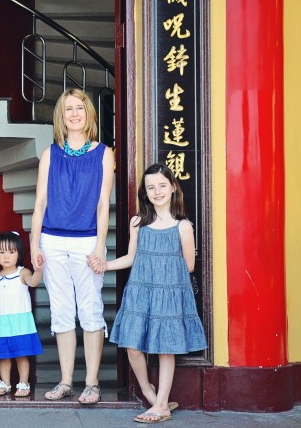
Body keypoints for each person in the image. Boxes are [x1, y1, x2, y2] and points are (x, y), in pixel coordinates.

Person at [29, 88, 115, 404]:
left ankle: (92, 383)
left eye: (80, 108)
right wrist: (34, 243)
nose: (75, 114)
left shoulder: (104, 153)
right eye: (69, 109)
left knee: (90, 309)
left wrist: (100, 245)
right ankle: (66, 381)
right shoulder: (50, 154)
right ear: (61, 117)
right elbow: (40, 202)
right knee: (62, 310)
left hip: (87, 240)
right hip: (52, 240)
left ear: (89, 113)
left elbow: (103, 203)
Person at [107, 163, 207, 424]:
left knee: (165, 348)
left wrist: (162, 271)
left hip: (169, 292)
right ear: (145, 192)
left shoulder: (183, 226)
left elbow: (189, 265)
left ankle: (162, 405)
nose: (157, 191)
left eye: (162, 185)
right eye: (151, 187)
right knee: (132, 346)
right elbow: (131, 257)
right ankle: (150, 394)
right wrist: (104, 265)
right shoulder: (138, 222)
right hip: (140, 290)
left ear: (173, 187)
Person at [0, 231, 43, 398]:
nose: (6, 256)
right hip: (1, 322)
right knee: (3, 355)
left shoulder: (23, 272)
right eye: (2, 252)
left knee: (21, 354)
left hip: (20, 321)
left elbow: (33, 282)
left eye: (11, 252)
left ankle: (24, 382)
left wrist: (38, 270)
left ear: (19, 254)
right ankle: (6, 382)